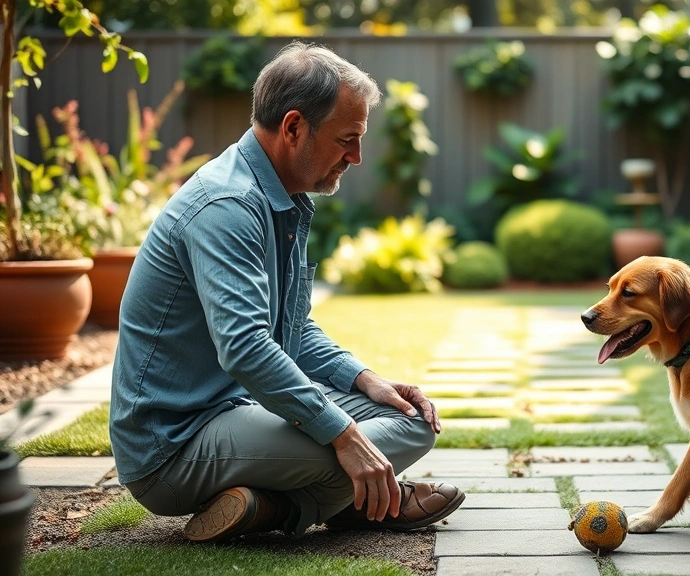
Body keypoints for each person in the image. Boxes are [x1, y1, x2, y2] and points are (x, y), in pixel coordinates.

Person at [109, 40, 464, 543]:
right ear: (294, 127)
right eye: (348, 138)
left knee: (409, 423)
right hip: (174, 444)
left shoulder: (283, 197)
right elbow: (246, 346)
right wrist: (344, 435)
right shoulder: (228, 204)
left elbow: (290, 330)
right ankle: (341, 504)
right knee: (349, 443)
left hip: (239, 408)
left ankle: (269, 507)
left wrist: (364, 380)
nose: (357, 156)